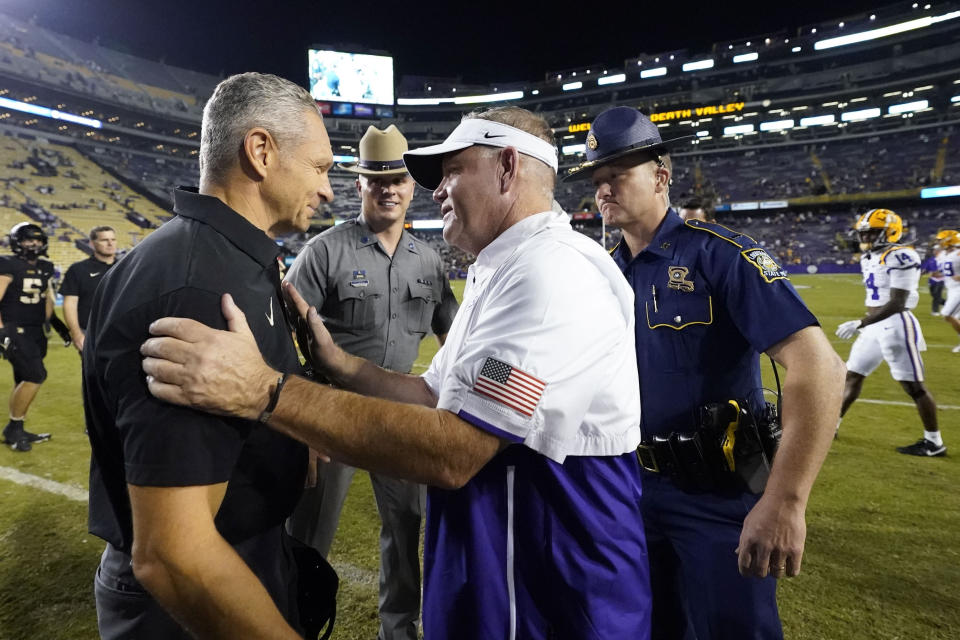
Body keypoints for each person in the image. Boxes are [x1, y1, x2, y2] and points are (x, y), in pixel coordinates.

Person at [141, 106, 653, 639]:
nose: (435, 191)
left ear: (506, 167)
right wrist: (342, 364)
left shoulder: (552, 274)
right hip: (507, 571)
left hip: (550, 591)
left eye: (452, 171)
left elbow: (455, 450)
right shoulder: (505, 270)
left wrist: (264, 393)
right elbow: (435, 395)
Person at [563, 106, 844, 640]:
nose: (602, 191)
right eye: (596, 180)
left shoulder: (723, 256)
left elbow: (820, 369)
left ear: (661, 175)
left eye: (616, 175)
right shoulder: (604, 272)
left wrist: (786, 500)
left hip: (717, 495)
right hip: (630, 494)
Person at [83, 72, 335, 639]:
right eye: (319, 168)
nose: (327, 191)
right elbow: (174, 554)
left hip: (243, 550)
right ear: (261, 150)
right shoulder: (197, 287)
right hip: (198, 587)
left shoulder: (229, 257)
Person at [285, 124, 458, 640]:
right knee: (308, 536)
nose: (389, 189)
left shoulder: (428, 259)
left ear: (412, 187)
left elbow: (454, 337)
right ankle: (294, 625)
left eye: (399, 179)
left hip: (399, 413)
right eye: (376, 180)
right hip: (330, 413)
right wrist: (297, 417)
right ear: (358, 185)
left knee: (406, 533)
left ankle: (398, 632)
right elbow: (279, 338)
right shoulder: (324, 251)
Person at [835, 209, 943, 456]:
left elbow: (897, 302)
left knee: (913, 386)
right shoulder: (869, 257)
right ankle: (832, 425)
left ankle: (934, 442)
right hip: (874, 325)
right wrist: (867, 324)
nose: (866, 237)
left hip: (896, 324)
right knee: (853, 375)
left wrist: (860, 323)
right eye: (864, 233)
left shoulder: (901, 256)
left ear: (890, 232)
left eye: (872, 232)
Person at [0, 222, 58, 452]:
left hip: (35, 330)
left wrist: (51, 323)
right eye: (27, 239)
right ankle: (13, 429)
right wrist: (1, 330)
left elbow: (47, 297)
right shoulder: (7, 264)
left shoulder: (46, 266)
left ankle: (18, 426)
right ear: (17, 242)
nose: (33, 243)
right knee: (35, 375)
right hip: (15, 327)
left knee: (23, 378)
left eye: (37, 239)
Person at [60, 225, 117, 352]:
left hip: (123, 331)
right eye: (104, 240)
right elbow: (70, 303)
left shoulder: (126, 268)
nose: (110, 244)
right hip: (90, 332)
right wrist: (76, 334)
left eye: (113, 240)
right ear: (92, 244)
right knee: (96, 371)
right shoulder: (78, 269)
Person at [933, 229, 960, 351]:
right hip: (951, 289)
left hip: (958, 289)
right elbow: (948, 270)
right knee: (955, 317)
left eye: (941, 240)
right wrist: (939, 274)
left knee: (947, 314)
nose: (939, 242)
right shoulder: (943, 254)